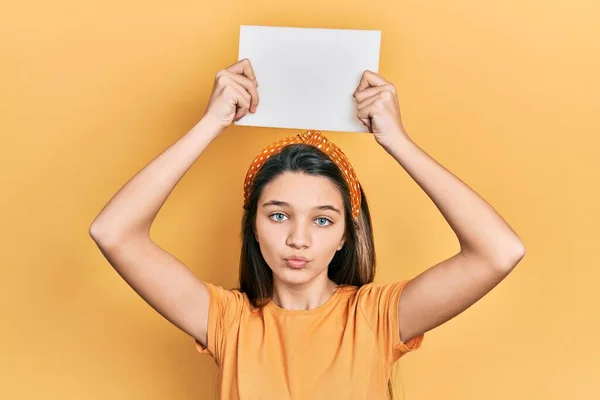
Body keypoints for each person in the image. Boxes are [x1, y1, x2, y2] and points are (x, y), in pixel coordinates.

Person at [89, 58, 526, 399]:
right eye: (278, 215)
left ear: (345, 236)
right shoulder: (228, 321)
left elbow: (499, 251)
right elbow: (114, 232)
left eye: (322, 219)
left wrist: (398, 141)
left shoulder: (375, 318)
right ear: (254, 227)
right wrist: (211, 123)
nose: (298, 239)